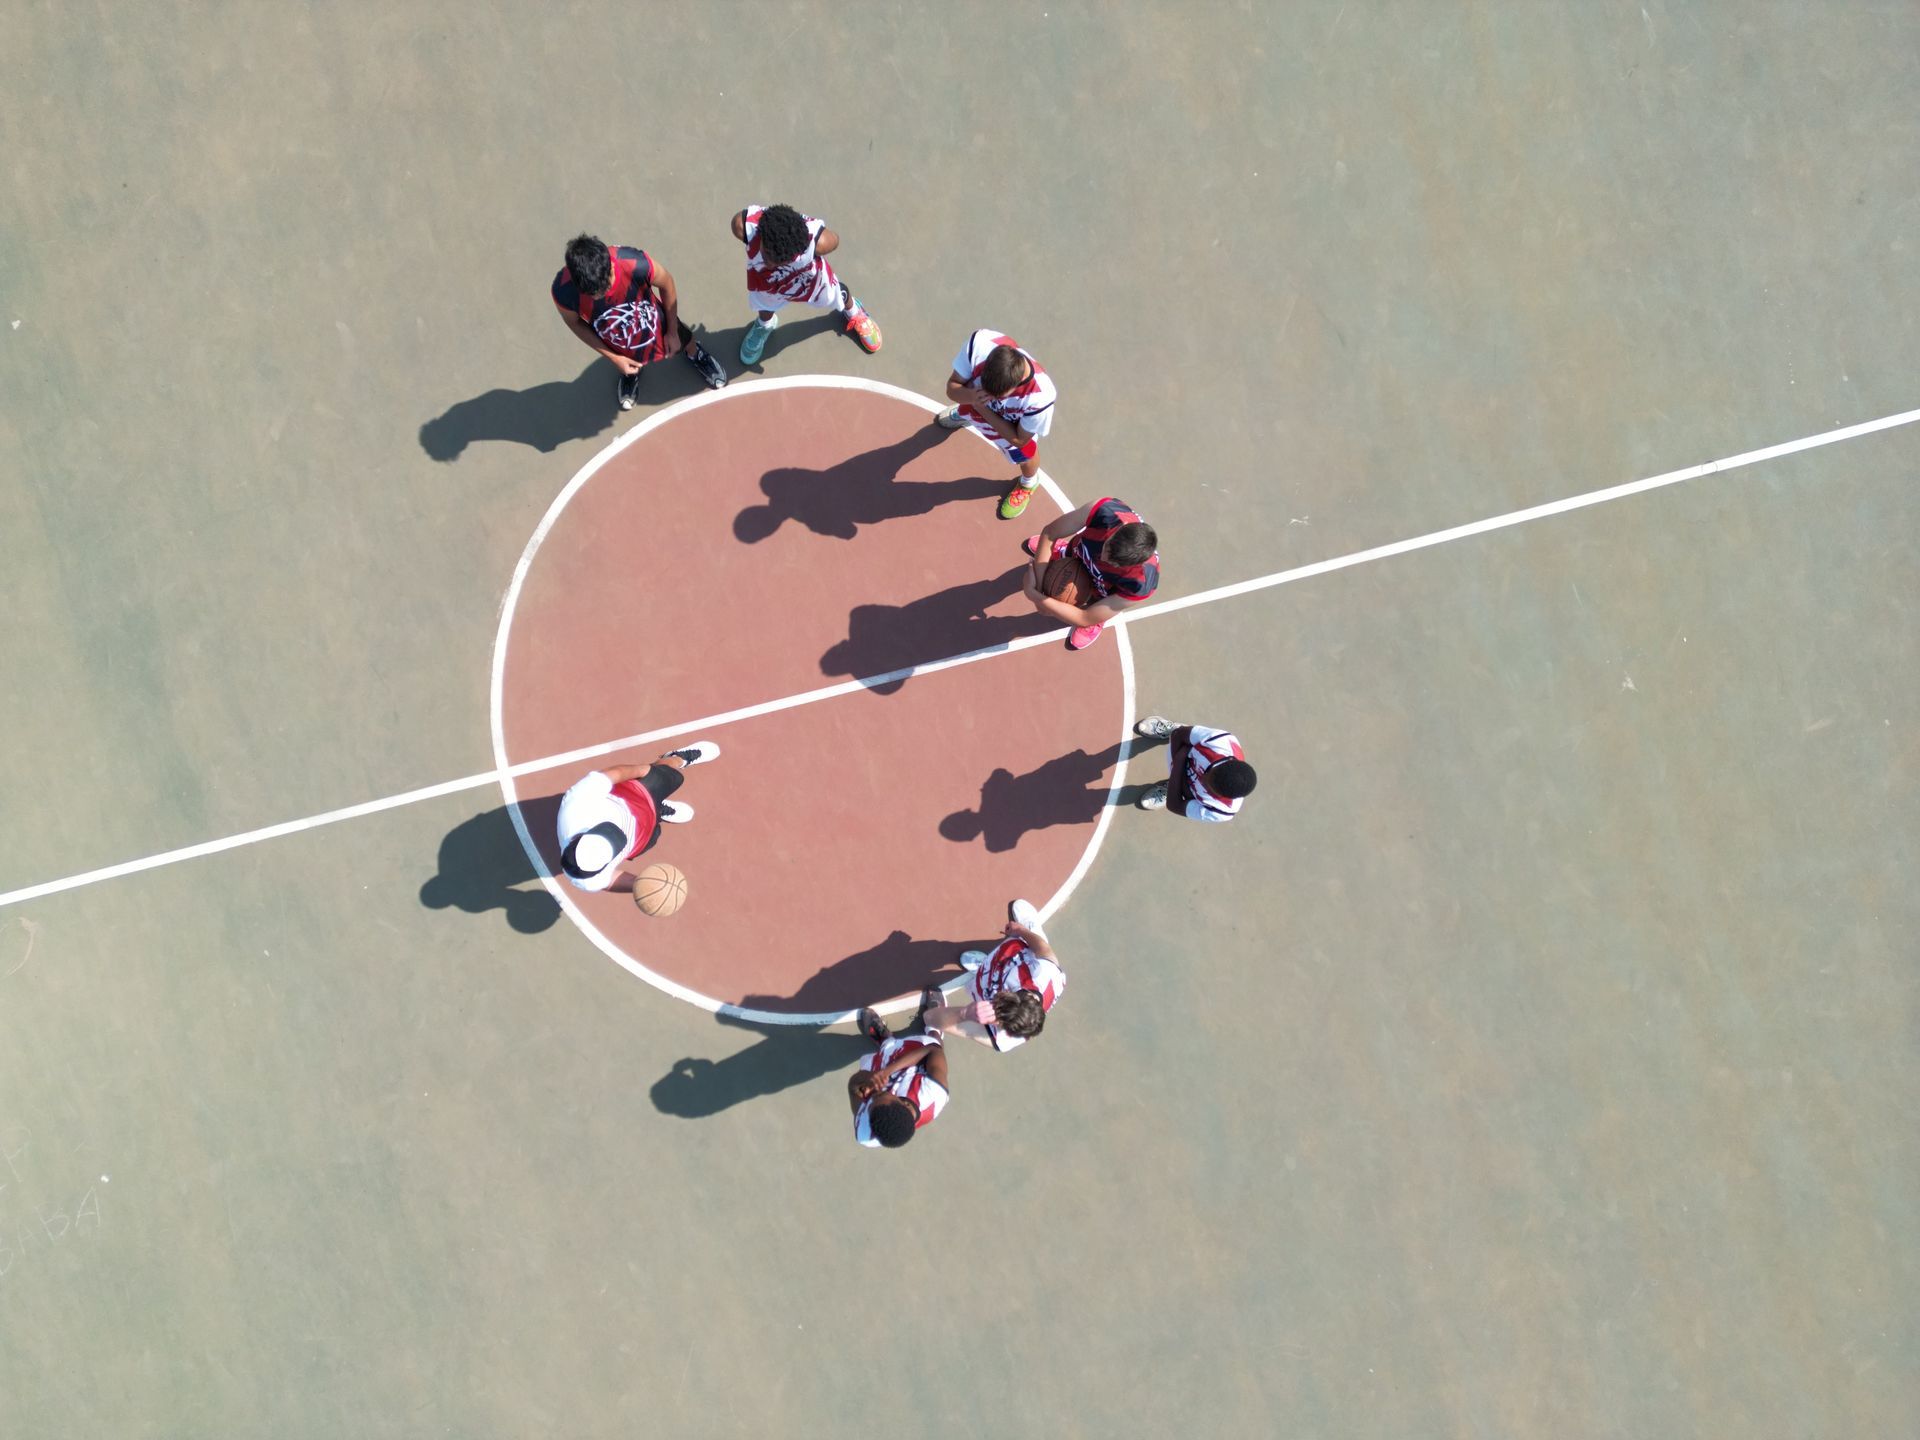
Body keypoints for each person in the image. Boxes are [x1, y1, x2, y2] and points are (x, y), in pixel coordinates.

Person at [551, 234, 727, 410]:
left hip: (655, 322)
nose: (600, 296)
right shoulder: (563, 291)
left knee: (684, 339)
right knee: (627, 363)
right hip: (616, 338)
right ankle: (629, 374)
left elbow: (667, 282)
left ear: (611, 267)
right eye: (593, 294)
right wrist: (614, 358)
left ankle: (696, 354)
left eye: (604, 288)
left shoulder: (634, 262)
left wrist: (672, 332)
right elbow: (574, 323)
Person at [554, 741, 720, 892]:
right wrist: (644, 885)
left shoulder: (575, 806)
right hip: (639, 838)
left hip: (629, 796)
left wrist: (643, 770)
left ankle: (677, 758)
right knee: (655, 836)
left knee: (670, 776)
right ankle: (658, 812)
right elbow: (609, 881)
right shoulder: (587, 881)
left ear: (581, 837)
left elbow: (611, 775)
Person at [730, 203, 881, 365]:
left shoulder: (819, 241)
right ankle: (765, 325)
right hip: (765, 281)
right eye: (766, 256)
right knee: (765, 304)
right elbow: (743, 221)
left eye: (779, 261)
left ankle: (854, 311)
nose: (771, 265)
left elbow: (834, 240)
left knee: (834, 294)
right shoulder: (745, 226)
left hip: (807, 279)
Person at [934, 330, 1057, 519]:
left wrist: (980, 406)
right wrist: (971, 398)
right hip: (974, 403)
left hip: (1009, 428)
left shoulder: (1040, 397)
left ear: (1015, 386)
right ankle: (966, 415)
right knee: (967, 404)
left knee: (1025, 456)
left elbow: (1020, 440)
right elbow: (952, 388)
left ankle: (1029, 483)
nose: (990, 397)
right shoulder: (979, 345)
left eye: (997, 397)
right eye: (984, 389)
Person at [921, 898, 1065, 1052]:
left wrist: (963, 1014)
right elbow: (1043, 947)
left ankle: (984, 969)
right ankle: (1031, 927)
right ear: (1008, 993)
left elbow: (929, 1017)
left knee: (982, 984)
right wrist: (1021, 930)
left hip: (992, 978)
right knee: (1034, 940)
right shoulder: (1046, 974)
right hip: (1014, 956)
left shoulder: (1001, 1038)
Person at [1020, 496, 1160, 651]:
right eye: (1107, 548)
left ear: (1133, 565)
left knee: (1094, 613)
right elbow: (1049, 534)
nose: (1103, 557)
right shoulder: (1106, 511)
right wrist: (1041, 587)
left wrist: (1037, 597)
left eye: (1113, 562)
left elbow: (1084, 618)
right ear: (1118, 530)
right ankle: (1063, 551)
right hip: (1075, 556)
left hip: (1099, 592)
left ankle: (1099, 615)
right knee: (1054, 549)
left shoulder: (1141, 583)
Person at [848, 1004, 949, 1149]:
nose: (872, 1098)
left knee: (885, 1052)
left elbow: (853, 1086)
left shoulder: (866, 1131)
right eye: (880, 1095)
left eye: (872, 1101)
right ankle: (934, 1025)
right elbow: (934, 1051)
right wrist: (888, 1071)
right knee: (934, 1041)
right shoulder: (933, 1095)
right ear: (905, 1104)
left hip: (879, 1070)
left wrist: (869, 1079)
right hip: (920, 1057)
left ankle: (885, 1040)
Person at [1133, 718, 1256, 820]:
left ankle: (1169, 787)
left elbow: (1174, 806)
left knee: (1180, 792)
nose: (1202, 779)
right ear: (1227, 761)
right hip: (1180, 750)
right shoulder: (1222, 742)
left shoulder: (1223, 810)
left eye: (1208, 787)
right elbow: (1178, 735)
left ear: (1223, 796)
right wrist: (1179, 785)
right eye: (1209, 773)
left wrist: (1179, 762)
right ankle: (1172, 729)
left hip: (1182, 756)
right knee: (1177, 731)